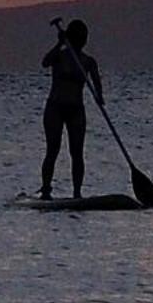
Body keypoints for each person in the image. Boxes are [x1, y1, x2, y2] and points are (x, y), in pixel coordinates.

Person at [38, 19, 104, 200]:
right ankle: (45, 190)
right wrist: (59, 43)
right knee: (53, 149)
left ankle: (77, 193)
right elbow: (45, 62)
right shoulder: (60, 56)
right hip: (55, 108)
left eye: (84, 37)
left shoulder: (88, 62)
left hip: (76, 110)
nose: (83, 41)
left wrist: (99, 97)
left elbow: (97, 82)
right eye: (80, 37)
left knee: (77, 152)